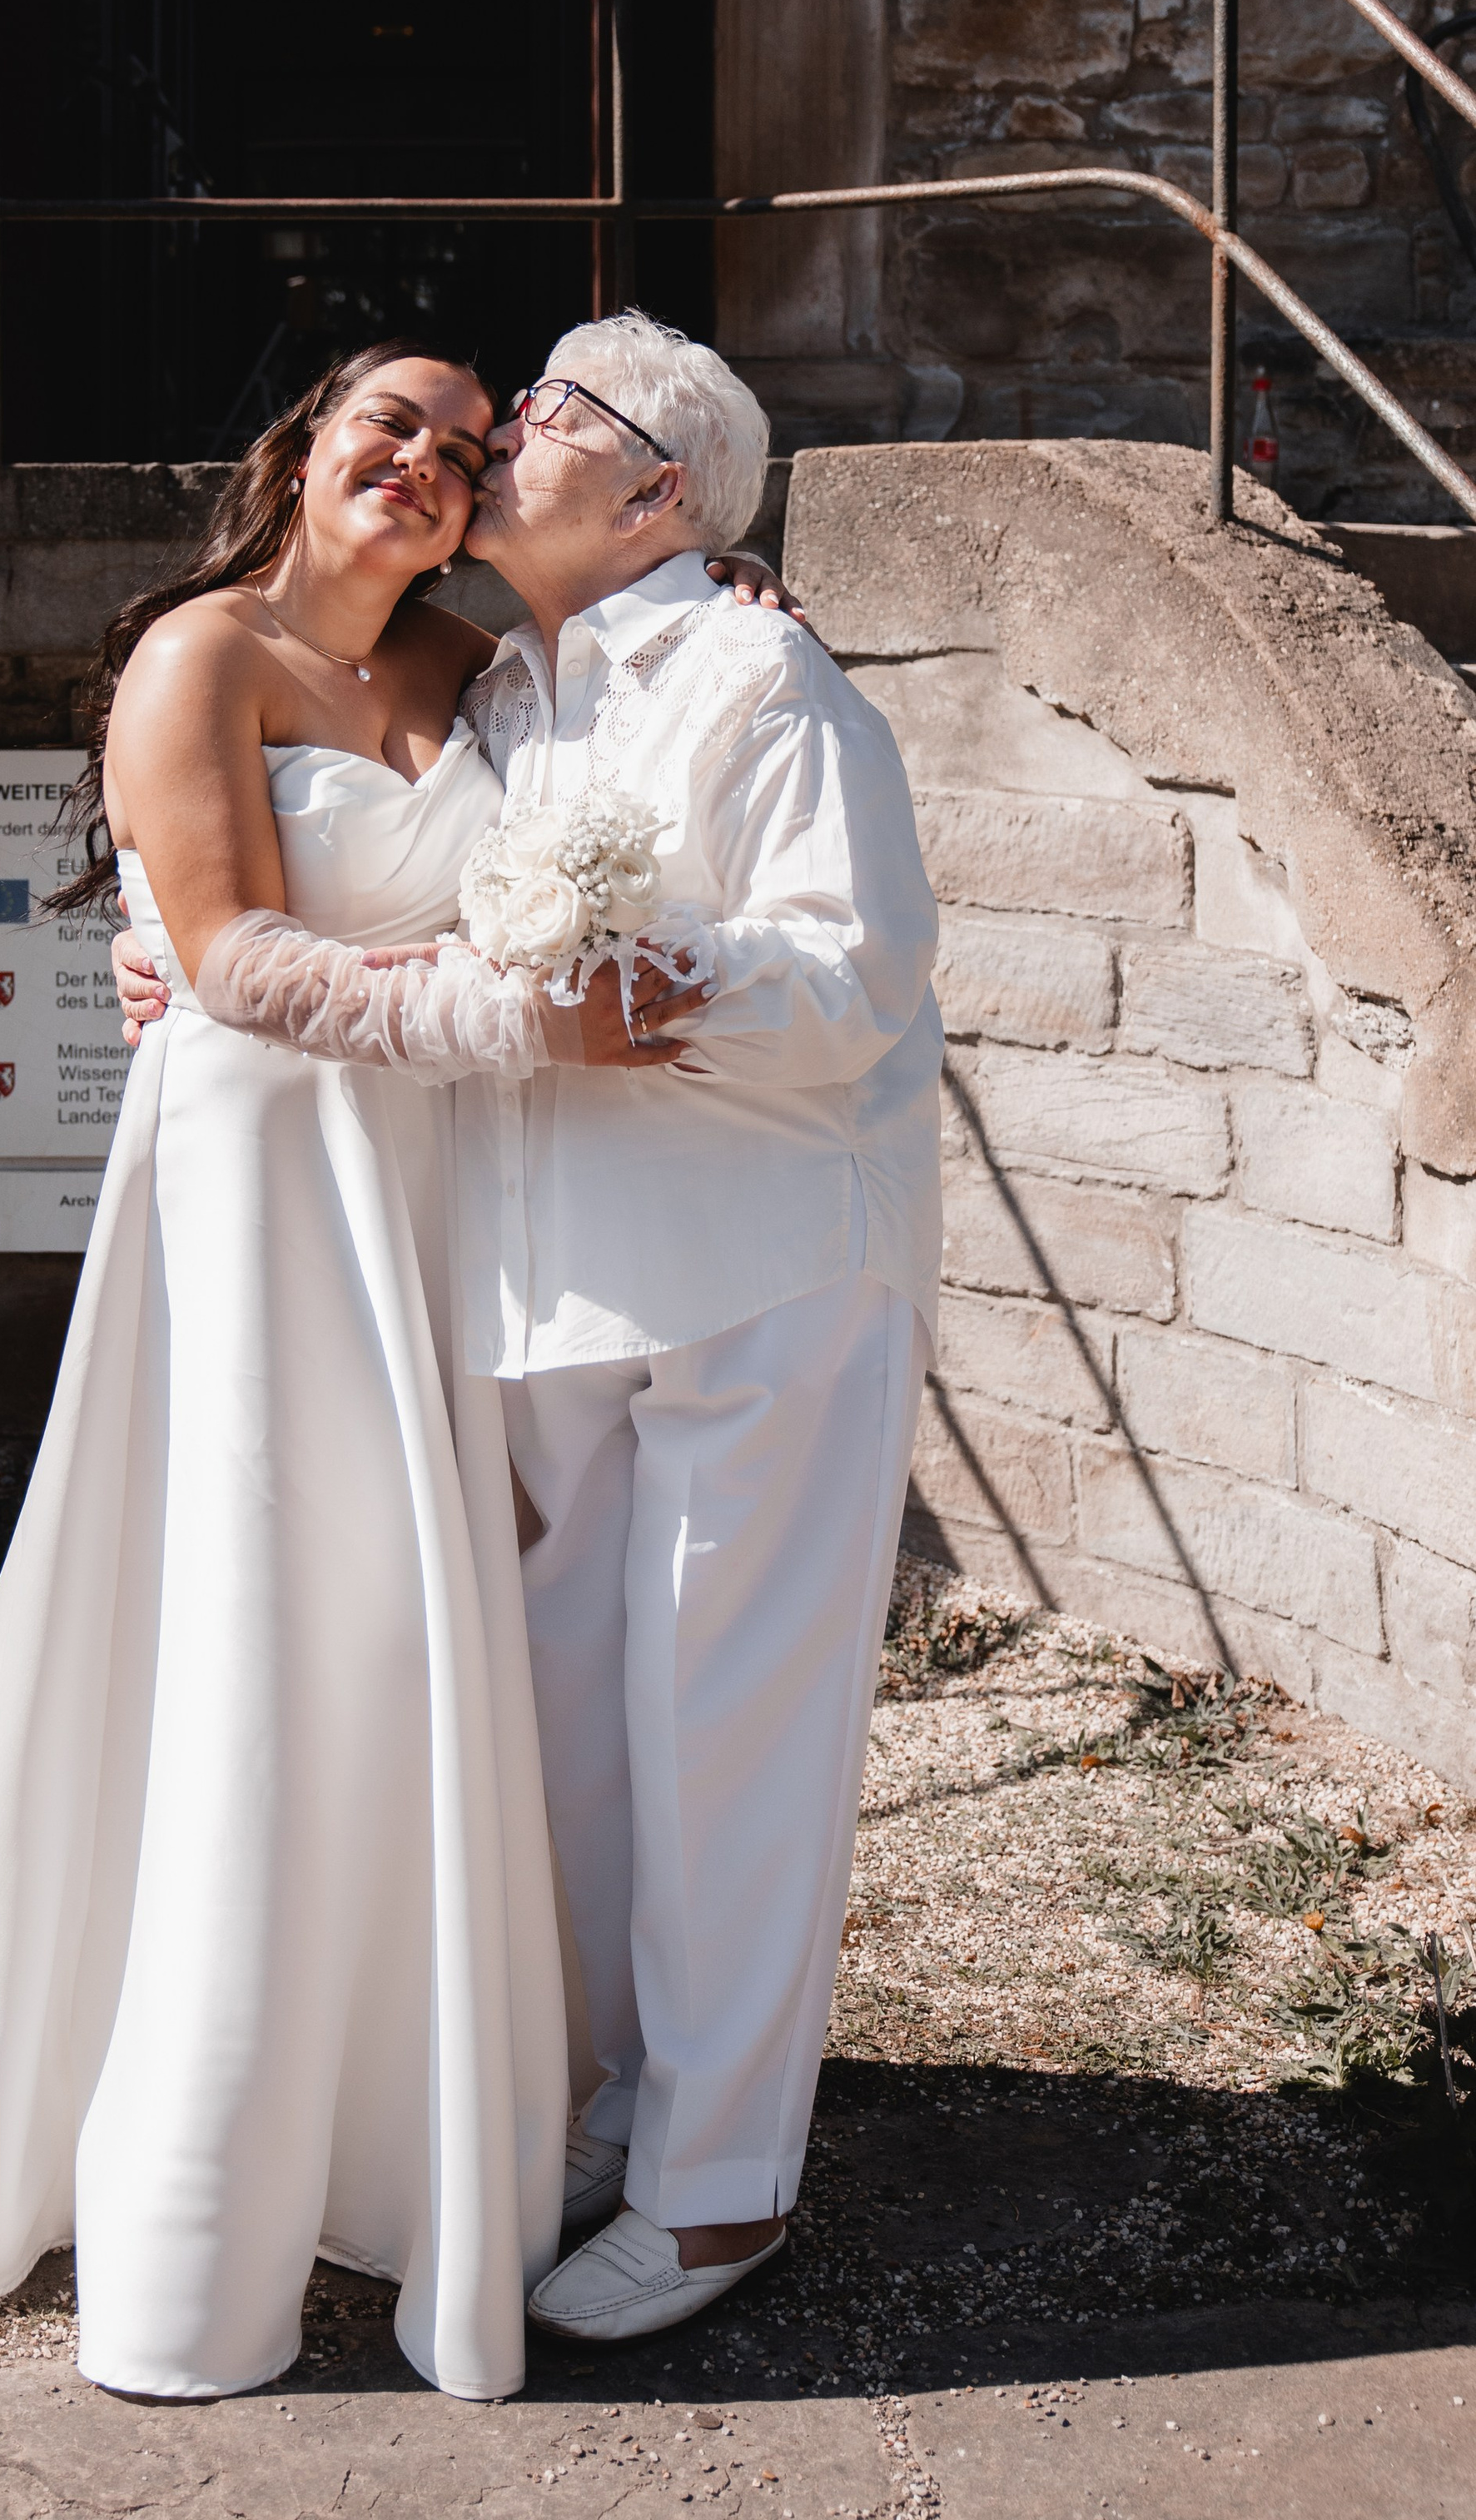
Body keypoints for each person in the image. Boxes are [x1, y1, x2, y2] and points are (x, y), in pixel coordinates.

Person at [118, 310, 942, 2346]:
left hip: (753, 1262)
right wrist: (173, 950)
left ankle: (717, 2182)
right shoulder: (505, 689)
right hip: (546, 1283)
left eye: (543, 420)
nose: (493, 454)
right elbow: (316, 866)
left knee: (726, 1737)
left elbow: (855, 977)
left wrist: (623, 980)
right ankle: (599, 2102)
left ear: (659, 490)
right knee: (576, 1742)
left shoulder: (761, 671)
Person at [0, 340, 671, 2408]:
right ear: (304, 450)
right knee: (256, 1624)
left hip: (418, 1188)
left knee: (406, 1633)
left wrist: (746, 592)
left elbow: (619, 732)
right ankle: (200, 2194)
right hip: (255, 1181)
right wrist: (523, 1022)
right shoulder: (195, 659)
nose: (426, 461)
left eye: (467, 445)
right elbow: (225, 956)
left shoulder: (470, 663)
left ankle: (403, 2124)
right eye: (388, 424)